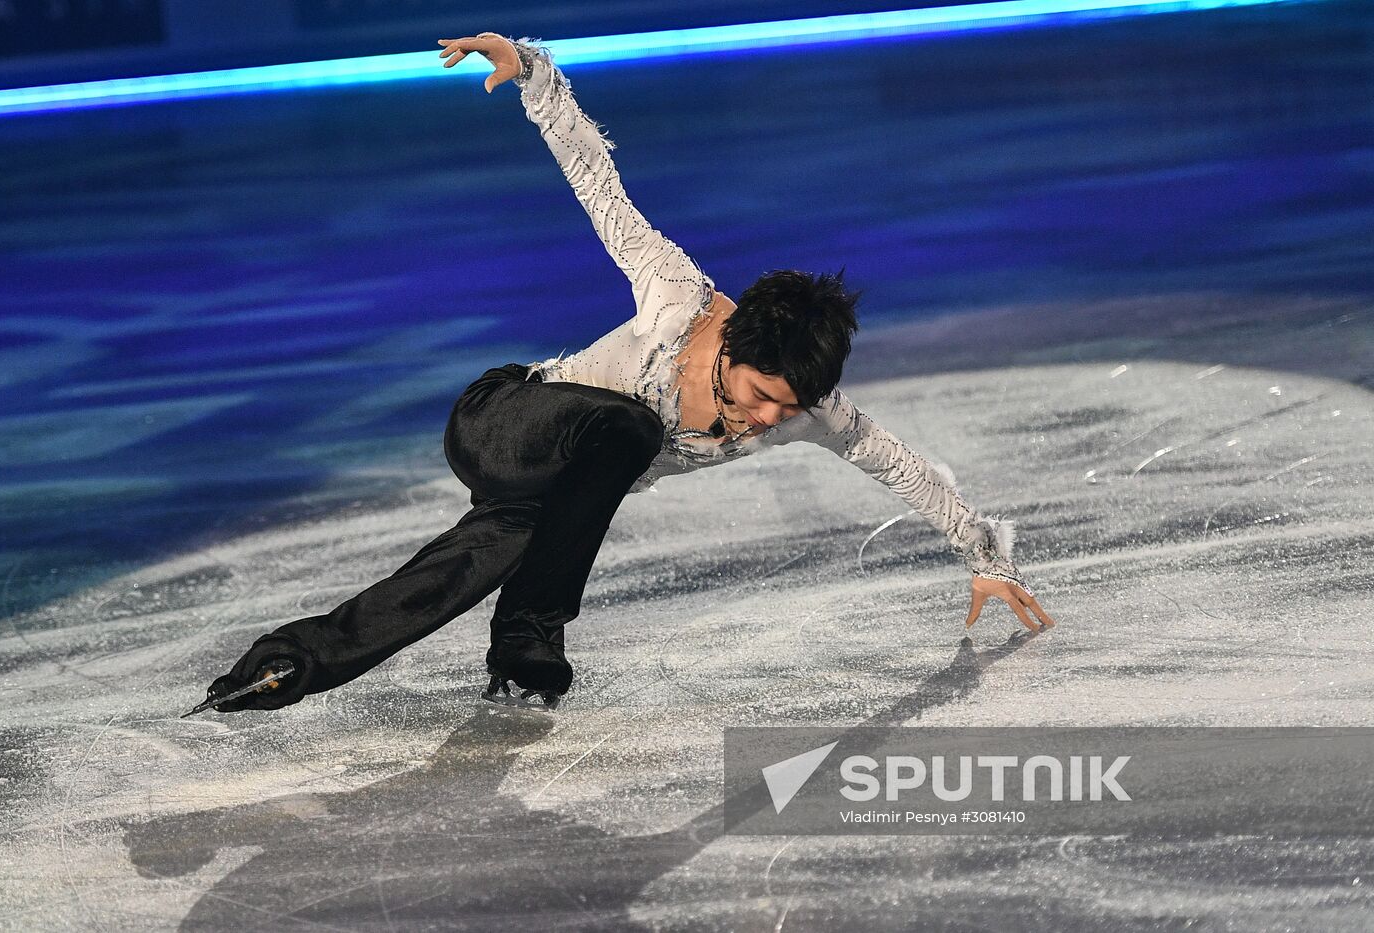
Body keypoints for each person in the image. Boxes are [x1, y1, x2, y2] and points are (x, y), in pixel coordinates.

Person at [200, 32, 1056, 715]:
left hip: (559, 490)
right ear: (732, 345)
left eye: (786, 409)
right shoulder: (676, 294)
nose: (765, 420)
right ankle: (533, 635)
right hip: (502, 419)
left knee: (456, 573)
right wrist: (531, 68)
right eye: (759, 395)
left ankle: (287, 665)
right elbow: (595, 178)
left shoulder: (805, 408)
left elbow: (906, 467)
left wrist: (988, 557)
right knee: (628, 426)